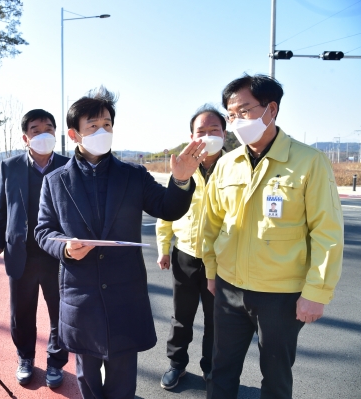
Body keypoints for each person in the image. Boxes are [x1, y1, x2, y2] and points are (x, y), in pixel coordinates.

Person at [35, 86, 205, 398]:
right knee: (86, 374)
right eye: (93, 126)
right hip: (81, 292)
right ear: (74, 134)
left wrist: (180, 181)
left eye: (108, 125)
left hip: (125, 292)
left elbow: (168, 208)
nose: (102, 132)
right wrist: (65, 247)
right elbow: (43, 231)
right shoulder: (55, 181)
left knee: (124, 376)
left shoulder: (133, 175)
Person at [203, 74, 344, 399]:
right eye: (231, 114)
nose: (236, 120)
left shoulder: (309, 162)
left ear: (272, 109)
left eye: (244, 110)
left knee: (276, 376)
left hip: (281, 295)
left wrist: (317, 292)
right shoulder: (227, 164)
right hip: (229, 289)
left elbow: (327, 233)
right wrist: (211, 272)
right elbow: (210, 224)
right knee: (221, 368)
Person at [0, 109, 70, 388]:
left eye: (49, 129)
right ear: (26, 137)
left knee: (60, 312)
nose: (43, 134)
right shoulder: (10, 167)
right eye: (36, 130)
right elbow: (0, 208)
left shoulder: (68, 165)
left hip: (57, 254)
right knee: (21, 312)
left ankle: (56, 362)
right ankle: (25, 357)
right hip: (21, 253)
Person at [156, 104, 226, 390]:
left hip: (222, 260)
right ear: (191, 136)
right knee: (182, 316)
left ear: (225, 134)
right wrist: (163, 247)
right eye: (202, 131)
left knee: (216, 319)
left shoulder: (234, 167)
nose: (208, 136)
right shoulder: (183, 168)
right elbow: (167, 210)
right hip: (185, 254)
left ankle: (211, 367)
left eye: (215, 130)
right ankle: (176, 365)